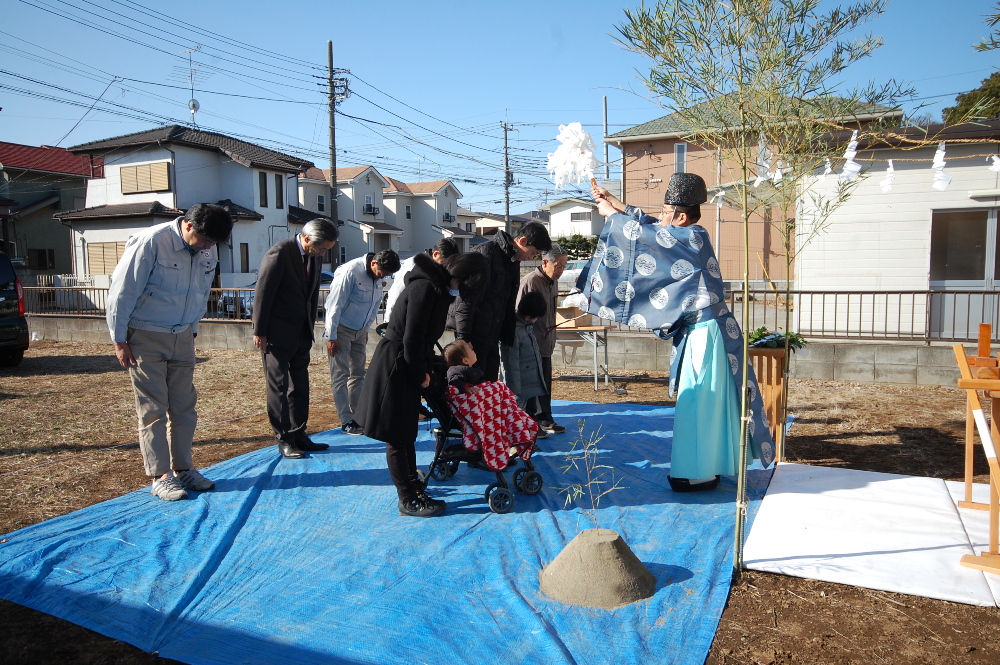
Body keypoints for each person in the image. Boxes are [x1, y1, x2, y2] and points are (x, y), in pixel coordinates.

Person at [585, 174, 775, 492]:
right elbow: (651, 229)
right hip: (706, 332)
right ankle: (706, 467)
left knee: (701, 402)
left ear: (680, 216)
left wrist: (614, 217)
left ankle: (699, 472)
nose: (660, 217)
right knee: (708, 403)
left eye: (665, 211)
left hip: (707, 335)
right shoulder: (686, 237)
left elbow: (647, 235)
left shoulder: (690, 239)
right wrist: (614, 203)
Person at [106, 203, 234, 501]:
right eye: (205, 240)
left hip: (182, 335)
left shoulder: (207, 246)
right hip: (145, 334)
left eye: (213, 243)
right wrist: (119, 339)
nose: (208, 247)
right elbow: (122, 292)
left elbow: (202, 291)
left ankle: (184, 468)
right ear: (188, 225)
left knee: (184, 407)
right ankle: (160, 476)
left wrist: (192, 329)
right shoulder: (152, 242)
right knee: (153, 409)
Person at [355, 252, 487, 518]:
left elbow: (421, 339)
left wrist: (427, 368)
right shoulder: (425, 288)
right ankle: (408, 498)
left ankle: (414, 489)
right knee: (397, 436)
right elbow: (412, 337)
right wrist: (421, 374)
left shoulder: (435, 287)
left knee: (406, 434)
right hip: (396, 365)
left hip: (407, 363)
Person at [252, 219, 339, 459]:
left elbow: (310, 296)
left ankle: (299, 432)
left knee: (300, 385)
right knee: (278, 387)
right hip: (276, 333)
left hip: (301, 333)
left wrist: (310, 328)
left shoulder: (315, 255)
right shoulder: (279, 254)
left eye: (326, 250)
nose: (323, 253)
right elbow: (263, 293)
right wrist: (260, 331)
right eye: (321, 248)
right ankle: (284, 438)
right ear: (307, 239)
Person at [448, 222, 551, 381]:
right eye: (533, 252)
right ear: (522, 241)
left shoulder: (512, 261)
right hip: (474, 338)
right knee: (473, 390)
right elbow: (466, 301)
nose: (531, 257)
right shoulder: (486, 253)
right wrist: (464, 340)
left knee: (489, 387)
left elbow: (506, 302)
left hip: (492, 336)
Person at [323, 249, 401, 435]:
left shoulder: (378, 276)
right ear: (374, 263)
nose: (384, 277)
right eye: (382, 273)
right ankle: (346, 419)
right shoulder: (350, 272)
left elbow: (375, 305)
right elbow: (334, 305)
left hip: (359, 331)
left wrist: (366, 329)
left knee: (358, 373)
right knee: (340, 375)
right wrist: (331, 336)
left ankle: (358, 415)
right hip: (341, 329)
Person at [517, 243, 569, 434]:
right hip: (531, 341)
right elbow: (518, 312)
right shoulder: (530, 281)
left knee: (545, 382)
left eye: (564, 266)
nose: (561, 271)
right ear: (545, 262)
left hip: (547, 340)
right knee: (531, 384)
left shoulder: (552, 282)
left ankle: (545, 419)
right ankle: (530, 423)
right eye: (558, 266)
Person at [500, 290, 549, 439]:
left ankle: (521, 440)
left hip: (526, 382)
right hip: (518, 387)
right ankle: (513, 443)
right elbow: (510, 364)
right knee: (514, 415)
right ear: (529, 317)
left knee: (521, 415)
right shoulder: (514, 332)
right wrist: (513, 389)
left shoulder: (526, 328)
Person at [383, 238, 459, 323]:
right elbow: (396, 294)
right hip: (405, 319)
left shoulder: (438, 269)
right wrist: (388, 321)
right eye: (444, 262)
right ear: (436, 254)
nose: (446, 266)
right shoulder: (413, 265)